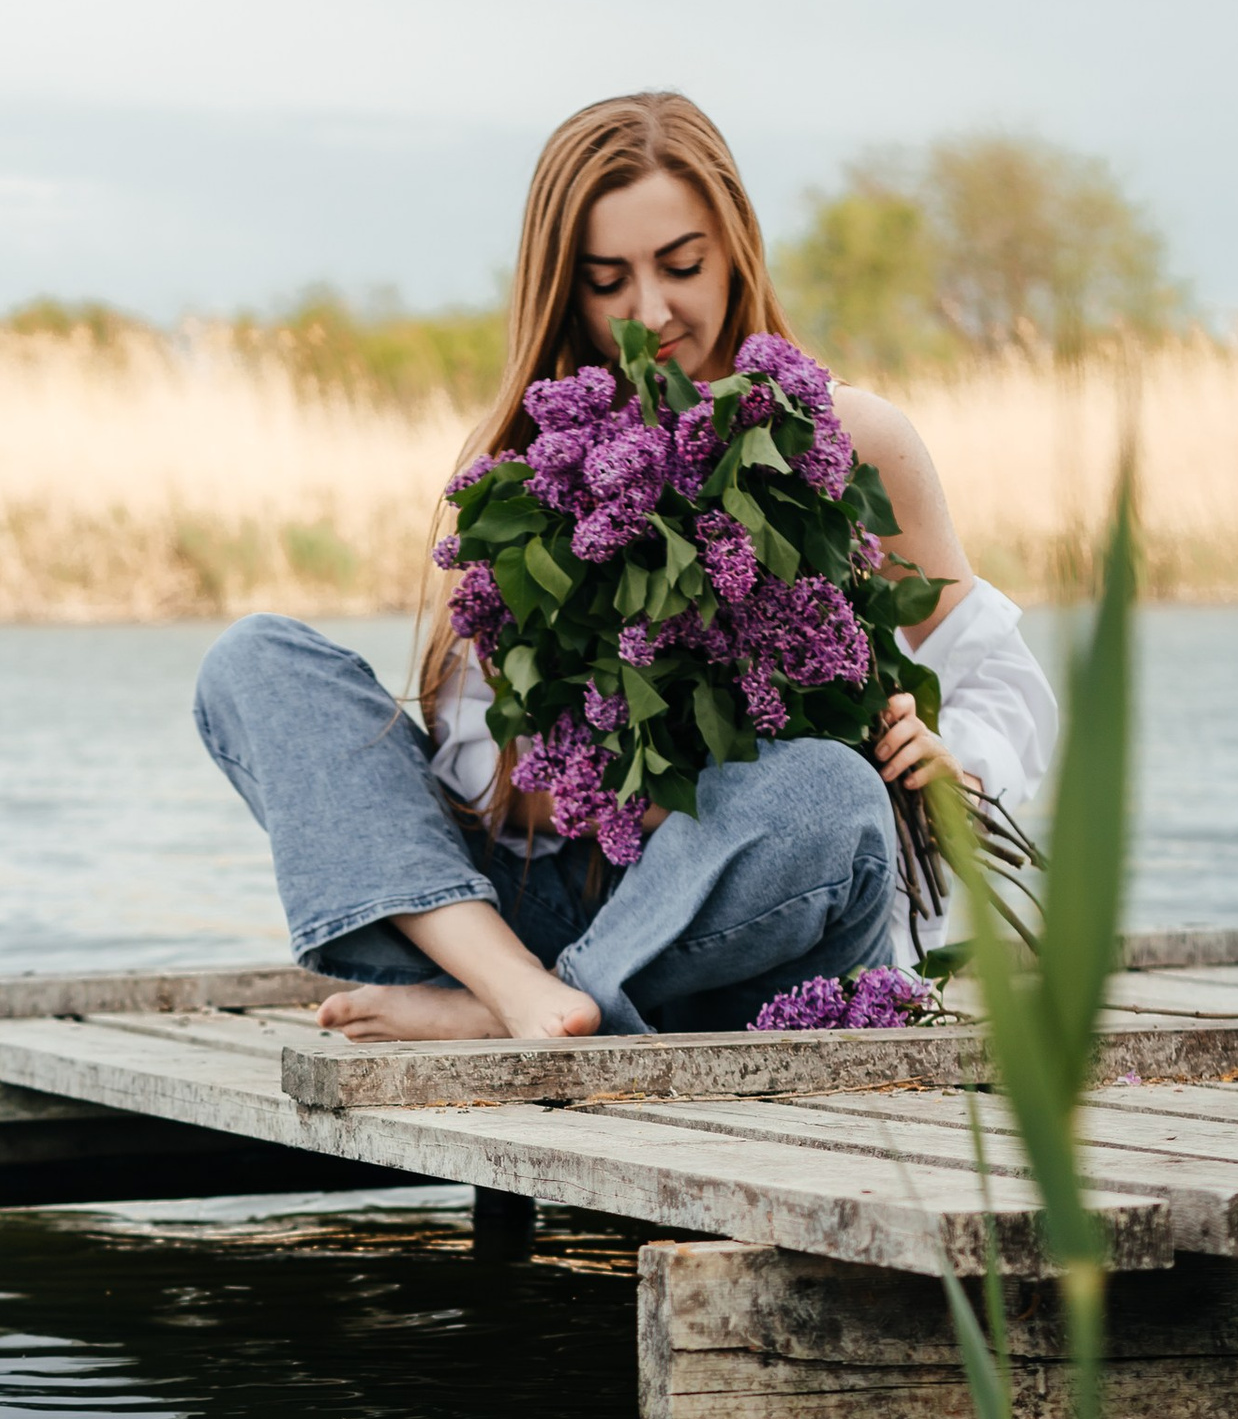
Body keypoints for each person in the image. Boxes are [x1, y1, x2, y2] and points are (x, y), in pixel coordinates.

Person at [193, 91, 1056, 1041]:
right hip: (539, 912)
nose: (651, 309)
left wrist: (951, 763)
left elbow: (1000, 681)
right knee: (257, 661)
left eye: (682, 265)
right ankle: (525, 995)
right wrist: (583, 775)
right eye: (608, 280)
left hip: (754, 936)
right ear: (565, 286)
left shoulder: (850, 439)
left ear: (735, 247)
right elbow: (472, 749)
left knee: (827, 789)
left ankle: (510, 1013)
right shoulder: (530, 461)